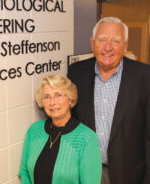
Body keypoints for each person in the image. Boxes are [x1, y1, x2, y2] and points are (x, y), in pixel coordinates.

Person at [67, 16, 150, 184]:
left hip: (130, 174)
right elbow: (71, 125)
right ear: (93, 43)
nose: (108, 47)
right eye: (102, 39)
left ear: (125, 46)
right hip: (86, 172)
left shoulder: (144, 76)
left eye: (116, 41)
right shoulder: (76, 73)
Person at [19, 74, 101, 184]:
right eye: (47, 97)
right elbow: (24, 172)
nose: (52, 102)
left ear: (70, 99)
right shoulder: (34, 131)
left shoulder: (87, 138)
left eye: (58, 95)